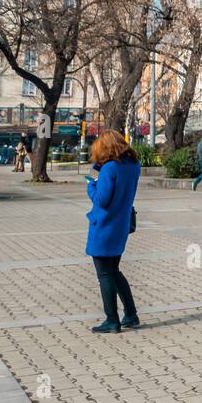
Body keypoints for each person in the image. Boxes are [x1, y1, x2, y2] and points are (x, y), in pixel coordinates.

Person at [85, 131, 141, 334]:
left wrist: (91, 186)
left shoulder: (109, 168)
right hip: (121, 225)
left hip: (105, 226)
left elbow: (102, 200)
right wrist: (98, 169)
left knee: (105, 274)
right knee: (114, 271)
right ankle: (131, 314)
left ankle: (111, 320)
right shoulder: (133, 165)